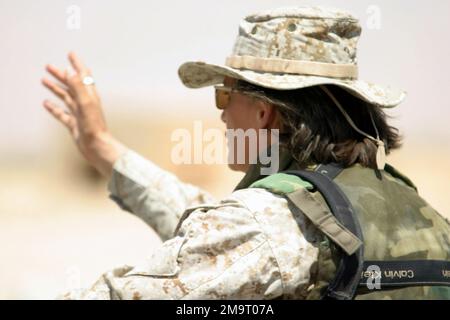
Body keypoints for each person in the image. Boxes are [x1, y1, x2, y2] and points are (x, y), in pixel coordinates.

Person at [41, 6, 450, 300]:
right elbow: (217, 224)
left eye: (225, 96)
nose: (220, 115)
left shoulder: (263, 224)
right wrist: (103, 148)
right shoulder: (415, 209)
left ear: (262, 111)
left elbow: (136, 290)